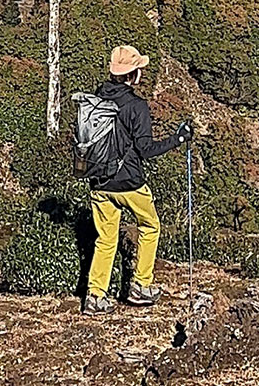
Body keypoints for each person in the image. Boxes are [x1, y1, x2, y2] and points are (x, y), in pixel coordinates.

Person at [82, 44, 191, 314]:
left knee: (105, 240)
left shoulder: (96, 99)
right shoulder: (136, 106)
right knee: (150, 225)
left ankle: (96, 296)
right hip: (130, 182)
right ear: (134, 75)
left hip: (99, 181)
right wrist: (178, 139)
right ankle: (141, 285)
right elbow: (146, 150)